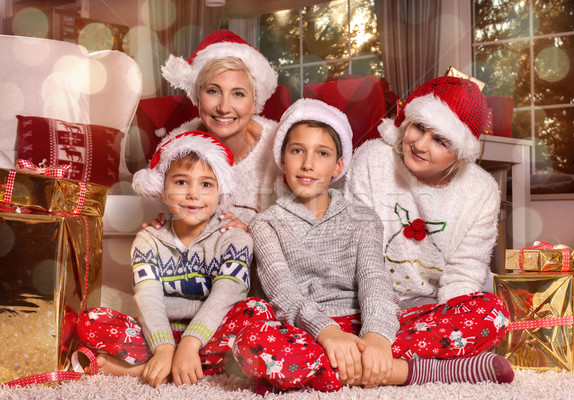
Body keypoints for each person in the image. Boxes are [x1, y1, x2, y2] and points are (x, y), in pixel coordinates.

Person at [231, 99, 514, 394]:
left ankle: (329, 371)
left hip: (366, 323)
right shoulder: (265, 224)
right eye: (297, 151)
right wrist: (328, 333)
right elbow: (284, 295)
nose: (308, 164)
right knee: (250, 341)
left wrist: (377, 336)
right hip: (307, 330)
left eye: (323, 153)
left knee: (491, 310)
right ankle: (413, 370)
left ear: (339, 165)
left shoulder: (363, 218)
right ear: (282, 158)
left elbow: (374, 281)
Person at [76, 131, 271, 387]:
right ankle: (171, 362)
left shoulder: (234, 238)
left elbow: (228, 292)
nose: (193, 194)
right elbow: (148, 295)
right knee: (89, 320)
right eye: (181, 182)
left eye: (206, 184)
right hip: (159, 330)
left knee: (259, 313)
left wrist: (190, 342)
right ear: (162, 190)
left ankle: (143, 369)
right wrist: (164, 347)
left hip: (211, 332)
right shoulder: (149, 239)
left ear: (219, 193)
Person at [344, 76, 511, 359]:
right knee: (324, 321)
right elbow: (360, 255)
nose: (420, 145)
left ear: (459, 154)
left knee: (494, 314)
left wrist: (450, 316)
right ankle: (413, 360)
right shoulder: (372, 160)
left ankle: (378, 359)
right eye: (419, 127)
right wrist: (378, 326)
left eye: (439, 140)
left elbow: (465, 270)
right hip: (368, 301)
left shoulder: (481, 190)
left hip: (433, 305)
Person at [154, 29, 282, 230]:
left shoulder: (281, 146)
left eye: (238, 94)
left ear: (254, 103)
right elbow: (168, 218)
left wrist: (251, 235)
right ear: (197, 97)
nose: (223, 107)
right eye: (213, 91)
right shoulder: (175, 149)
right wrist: (165, 229)